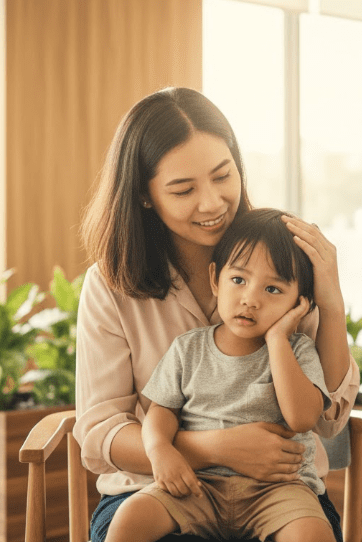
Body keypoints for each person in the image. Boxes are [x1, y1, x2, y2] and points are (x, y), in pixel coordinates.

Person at [75, 87, 360, 542]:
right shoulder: (111, 284)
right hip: (157, 488)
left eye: (223, 176)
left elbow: (326, 420)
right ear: (145, 196)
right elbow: (98, 433)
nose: (212, 203)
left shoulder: (284, 262)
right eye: (183, 189)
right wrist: (213, 448)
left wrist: (331, 302)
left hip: (280, 492)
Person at [106, 209, 336, 542]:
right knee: (131, 516)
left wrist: (277, 341)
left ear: (299, 303)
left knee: (312, 533)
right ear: (216, 279)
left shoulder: (298, 350)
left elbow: (301, 418)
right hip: (199, 484)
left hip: (277, 491)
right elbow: (161, 412)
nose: (250, 299)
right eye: (239, 280)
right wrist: (160, 451)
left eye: (272, 289)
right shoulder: (189, 348)